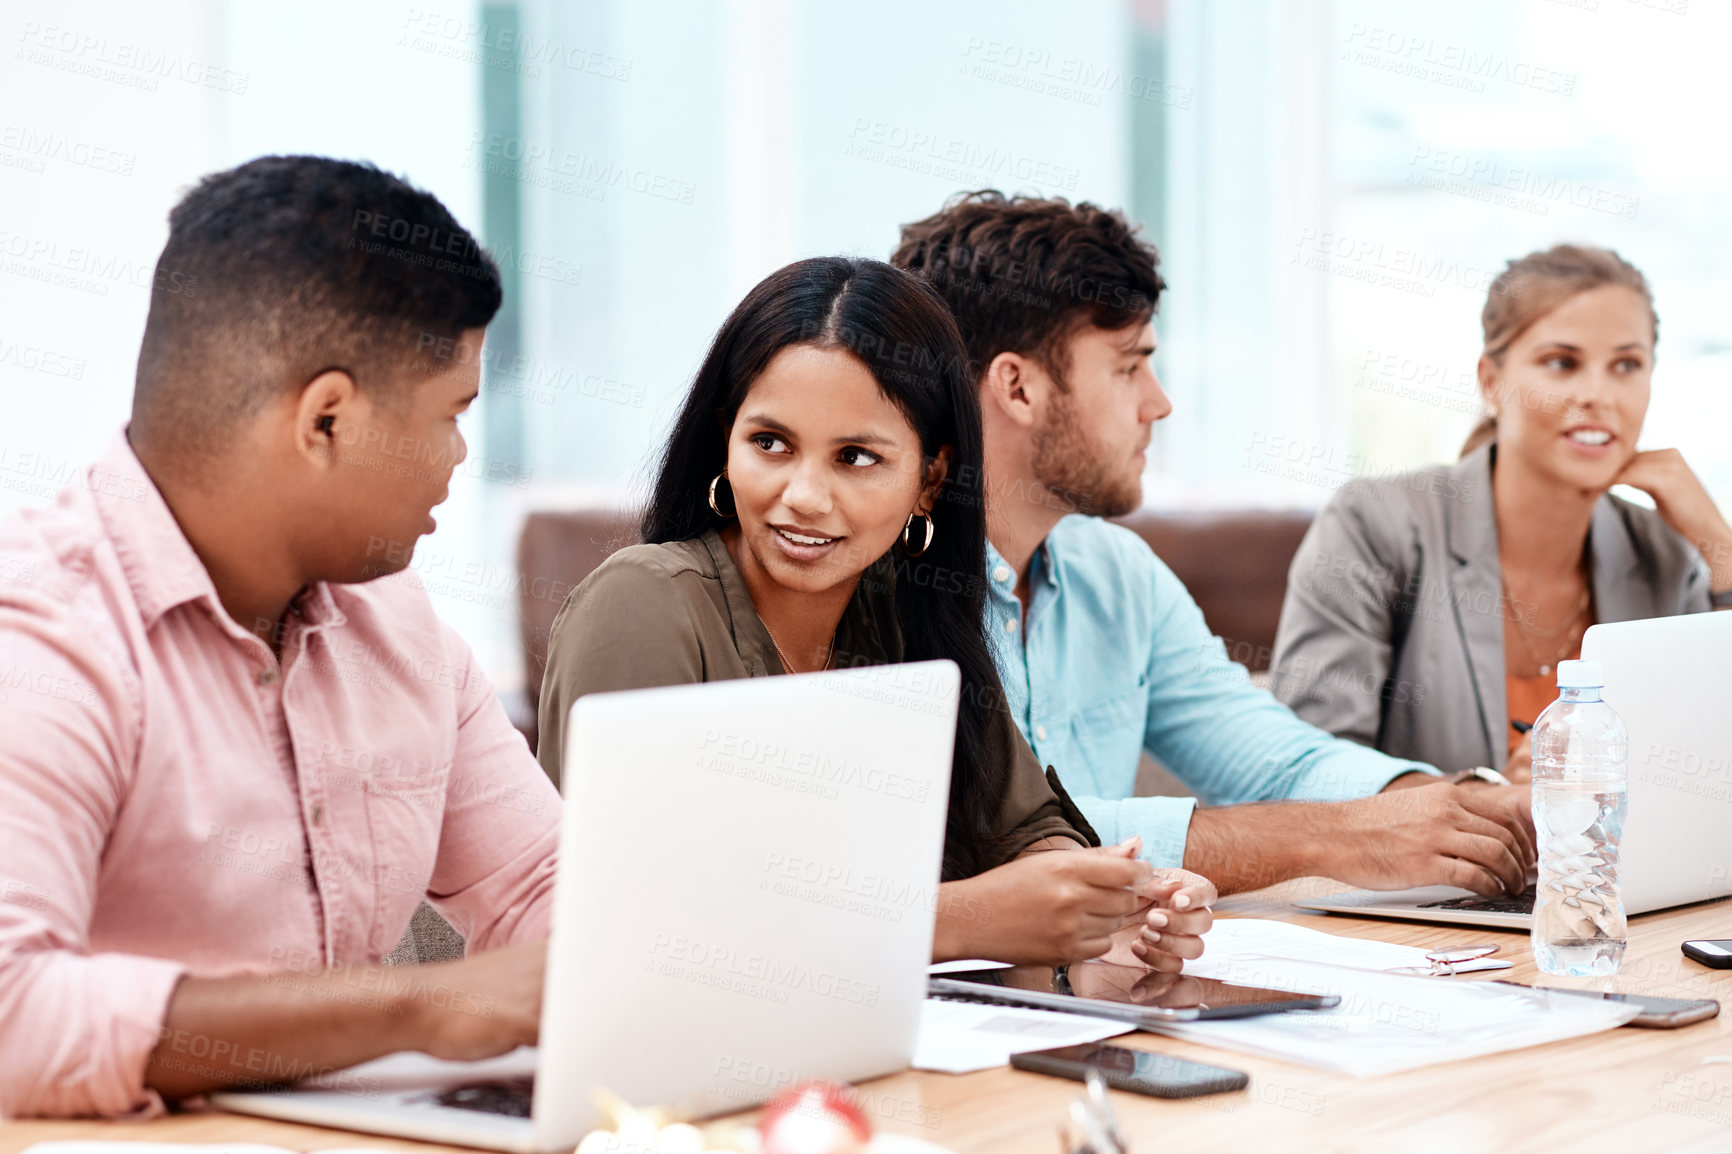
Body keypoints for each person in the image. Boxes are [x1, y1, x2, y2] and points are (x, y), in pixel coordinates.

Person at [0, 156, 560, 1118]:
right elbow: (13, 1016)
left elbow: (541, 884)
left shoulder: (400, 628)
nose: (462, 456)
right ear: (327, 420)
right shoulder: (44, 641)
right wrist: (414, 1007)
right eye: (452, 415)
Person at [536, 257, 1215, 968]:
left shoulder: (909, 612)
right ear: (724, 441)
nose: (802, 495)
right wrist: (959, 920)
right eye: (770, 443)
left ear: (930, 481)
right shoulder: (641, 603)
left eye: (855, 457)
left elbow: (1026, 827)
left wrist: (1101, 903)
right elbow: (635, 915)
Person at [891, 191, 1535, 897]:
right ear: (1018, 388)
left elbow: (1273, 762)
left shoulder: (1117, 573)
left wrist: (1462, 807)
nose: (1159, 402)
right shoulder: (880, 582)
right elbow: (989, 840)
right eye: (1129, 366)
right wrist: (1335, 838)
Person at [1272, 244, 1732, 778]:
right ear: (1491, 381)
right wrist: (1490, 802)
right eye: (1562, 363)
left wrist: (1719, 541)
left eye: (1627, 365)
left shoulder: (1666, 552)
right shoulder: (1372, 524)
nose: (1598, 395)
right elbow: (1306, 775)